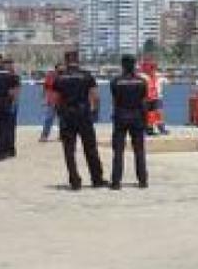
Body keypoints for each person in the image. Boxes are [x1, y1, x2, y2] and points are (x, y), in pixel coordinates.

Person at [50, 50, 105, 190]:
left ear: (66, 61)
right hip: (84, 114)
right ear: (77, 60)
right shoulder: (87, 75)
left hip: (67, 115)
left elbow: (54, 99)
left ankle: (75, 180)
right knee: (90, 148)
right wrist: (95, 112)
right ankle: (97, 179)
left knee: (69, 150)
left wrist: (59, 112)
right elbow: (96, 96)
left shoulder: (60, 78)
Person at [110, 54, 149, 190]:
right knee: (139, 151)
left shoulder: (115, 81)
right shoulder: (142, 82)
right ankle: (142, 180)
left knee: (118, 151)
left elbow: (115, 100)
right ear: (134, 65)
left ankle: (116, 182)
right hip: (137, 117)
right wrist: (146, 121)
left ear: (122, 65)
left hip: (121, 117)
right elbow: (144, 103)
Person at [140, 59, 170, 136]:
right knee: (148, 114)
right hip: (146, 98)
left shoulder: (158, 76)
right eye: (150, 67)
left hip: (157, 98)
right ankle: (149, 129)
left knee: (159, 113)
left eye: (153, 67)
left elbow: (167, 81)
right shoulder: (142, 76)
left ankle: (161, 128)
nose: (151, 69)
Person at [39, 63, 62, 142]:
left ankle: (62, 135)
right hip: (51, 101)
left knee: (62, 119)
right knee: (48, 118)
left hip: (62, 101)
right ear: (56, 69)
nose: (61, 70)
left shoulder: (65, 76)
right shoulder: (50, 75)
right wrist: (43, 98)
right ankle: (44, 135)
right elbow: (45, 87)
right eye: (59, 69)